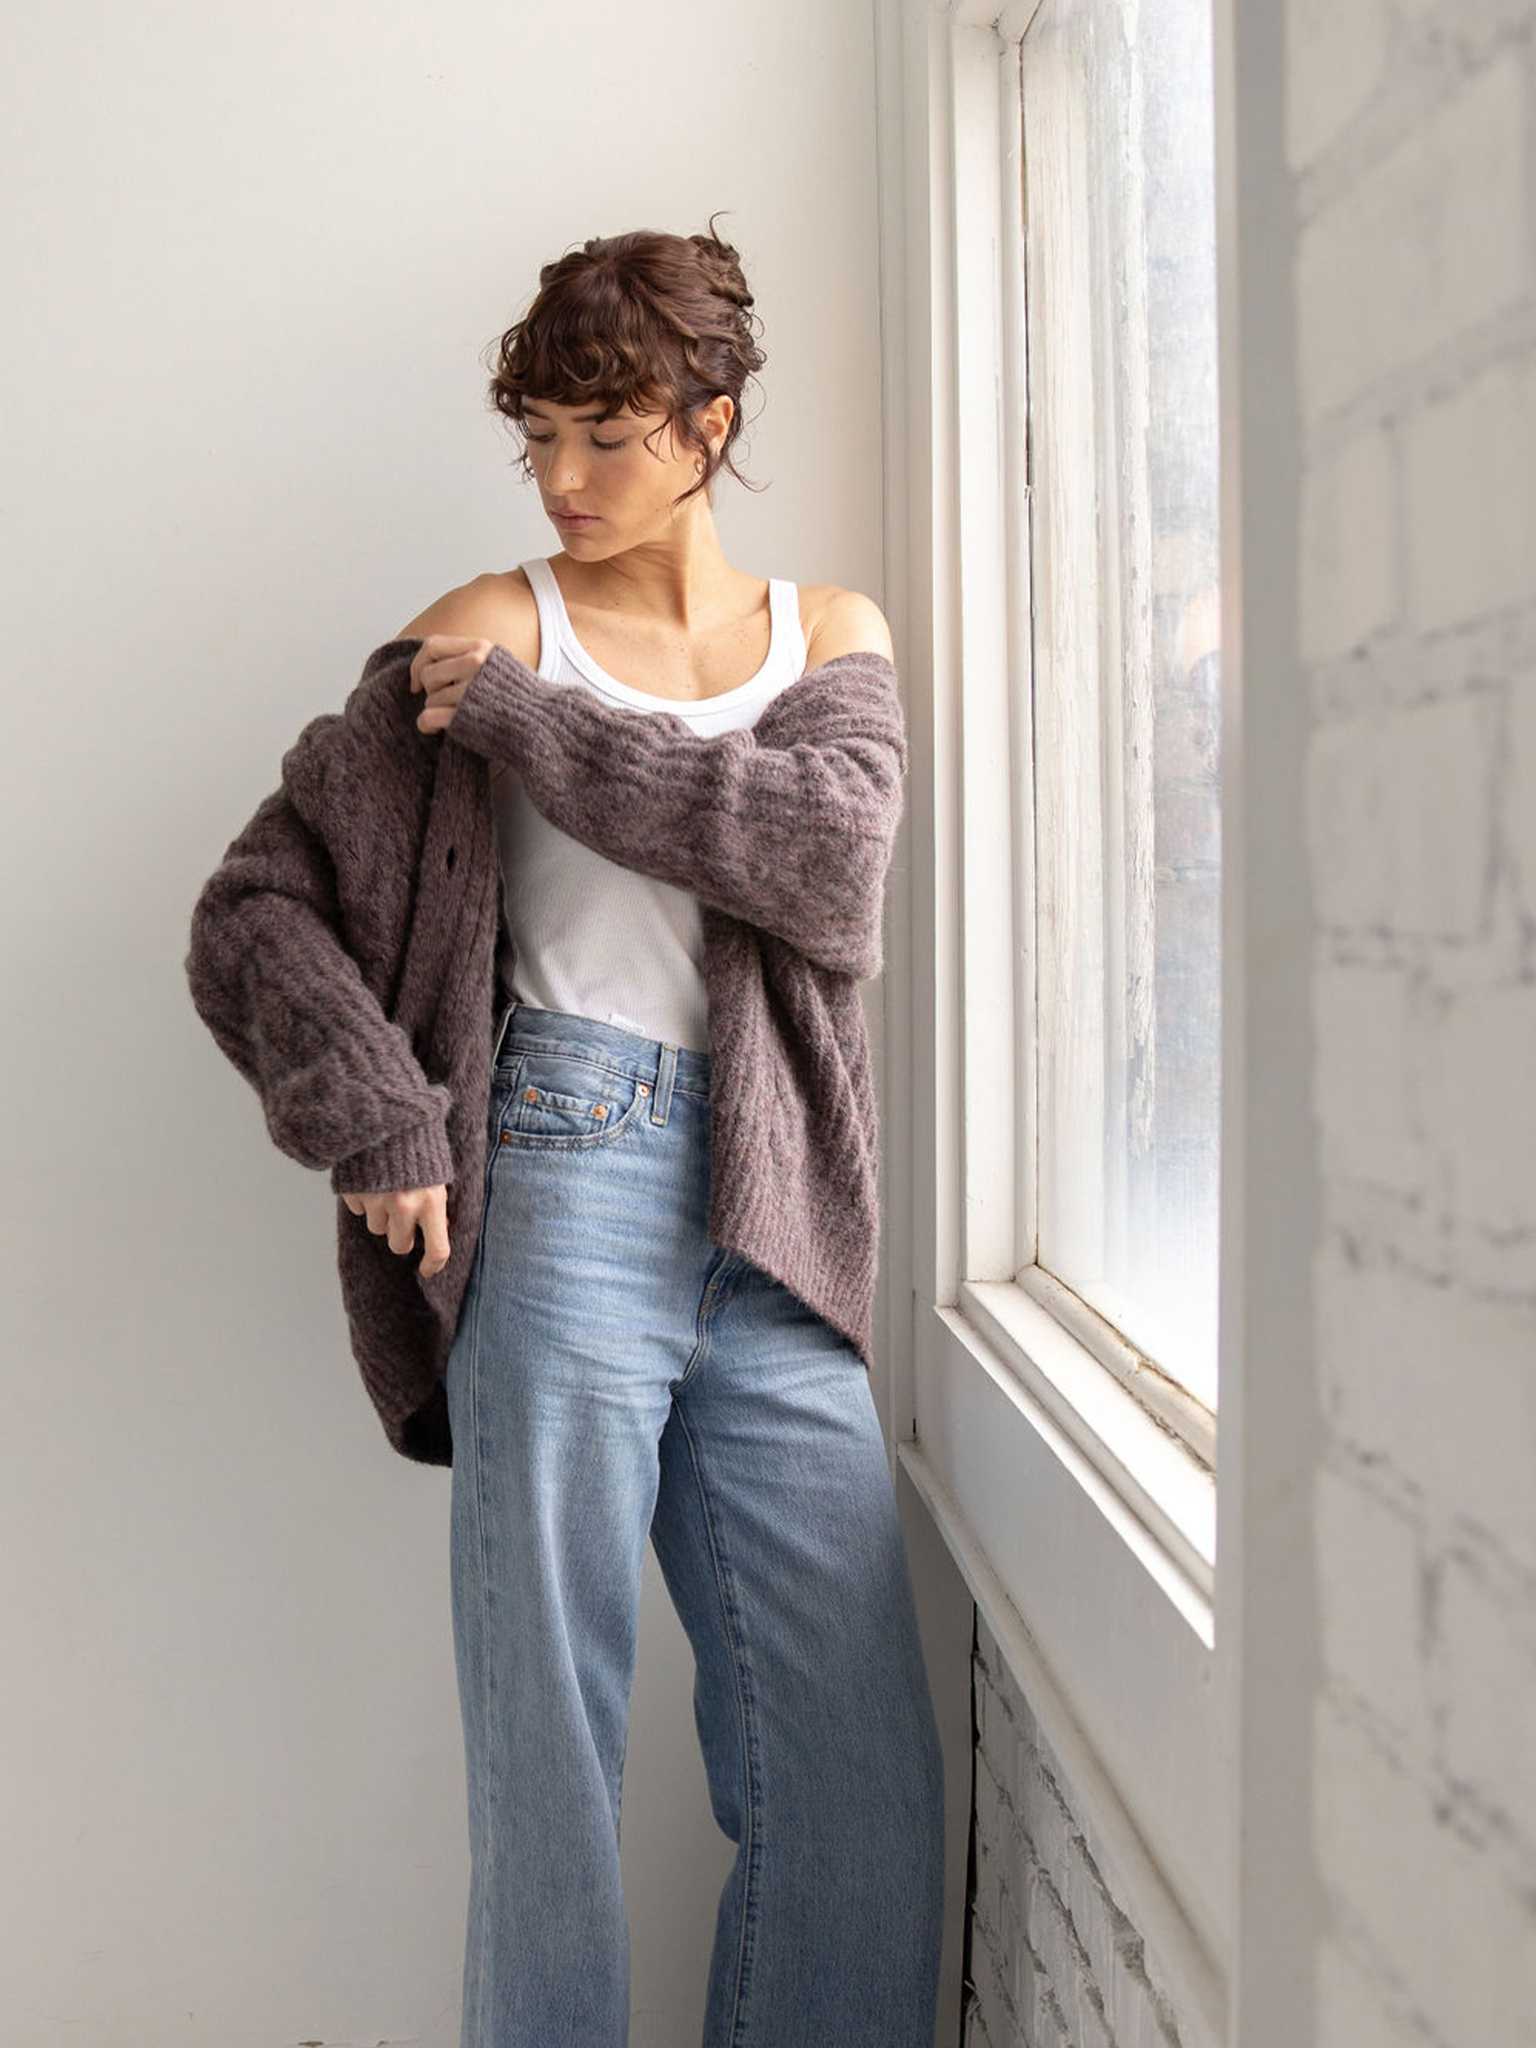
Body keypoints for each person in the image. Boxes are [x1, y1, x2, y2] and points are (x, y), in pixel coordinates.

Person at [376, 220, 945, 2048]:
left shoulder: (826, 635)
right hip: (556, 1171)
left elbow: (825, 865)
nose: (559, 478)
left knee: (854, 1782)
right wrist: (377, 1111)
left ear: (708, 424)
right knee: (555, 1772)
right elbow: (265, 907)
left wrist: (553, 737)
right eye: (535, 434)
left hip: (777, 1216)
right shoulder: (483, 625)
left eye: (602, 434)